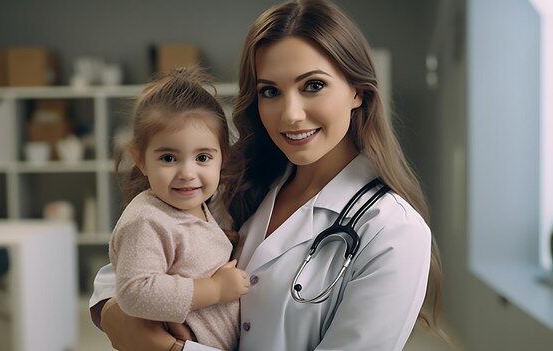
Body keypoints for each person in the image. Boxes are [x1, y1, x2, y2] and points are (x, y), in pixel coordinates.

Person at [90, 0, 443, 350]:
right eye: (270, 91)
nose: (290, 115)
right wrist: (113, 314)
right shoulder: (234, 184)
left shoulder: (394, 232)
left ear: (357, 92)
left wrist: (167, 349)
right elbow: (131, 264)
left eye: (313, 85)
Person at [105, 66, 250, 351]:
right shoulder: (146, 220)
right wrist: (215, 290)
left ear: (224, 158)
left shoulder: (199, 208)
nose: (187, 172)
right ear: (141, 159)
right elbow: (135, 292)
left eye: (203, 157)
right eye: (169, 158)